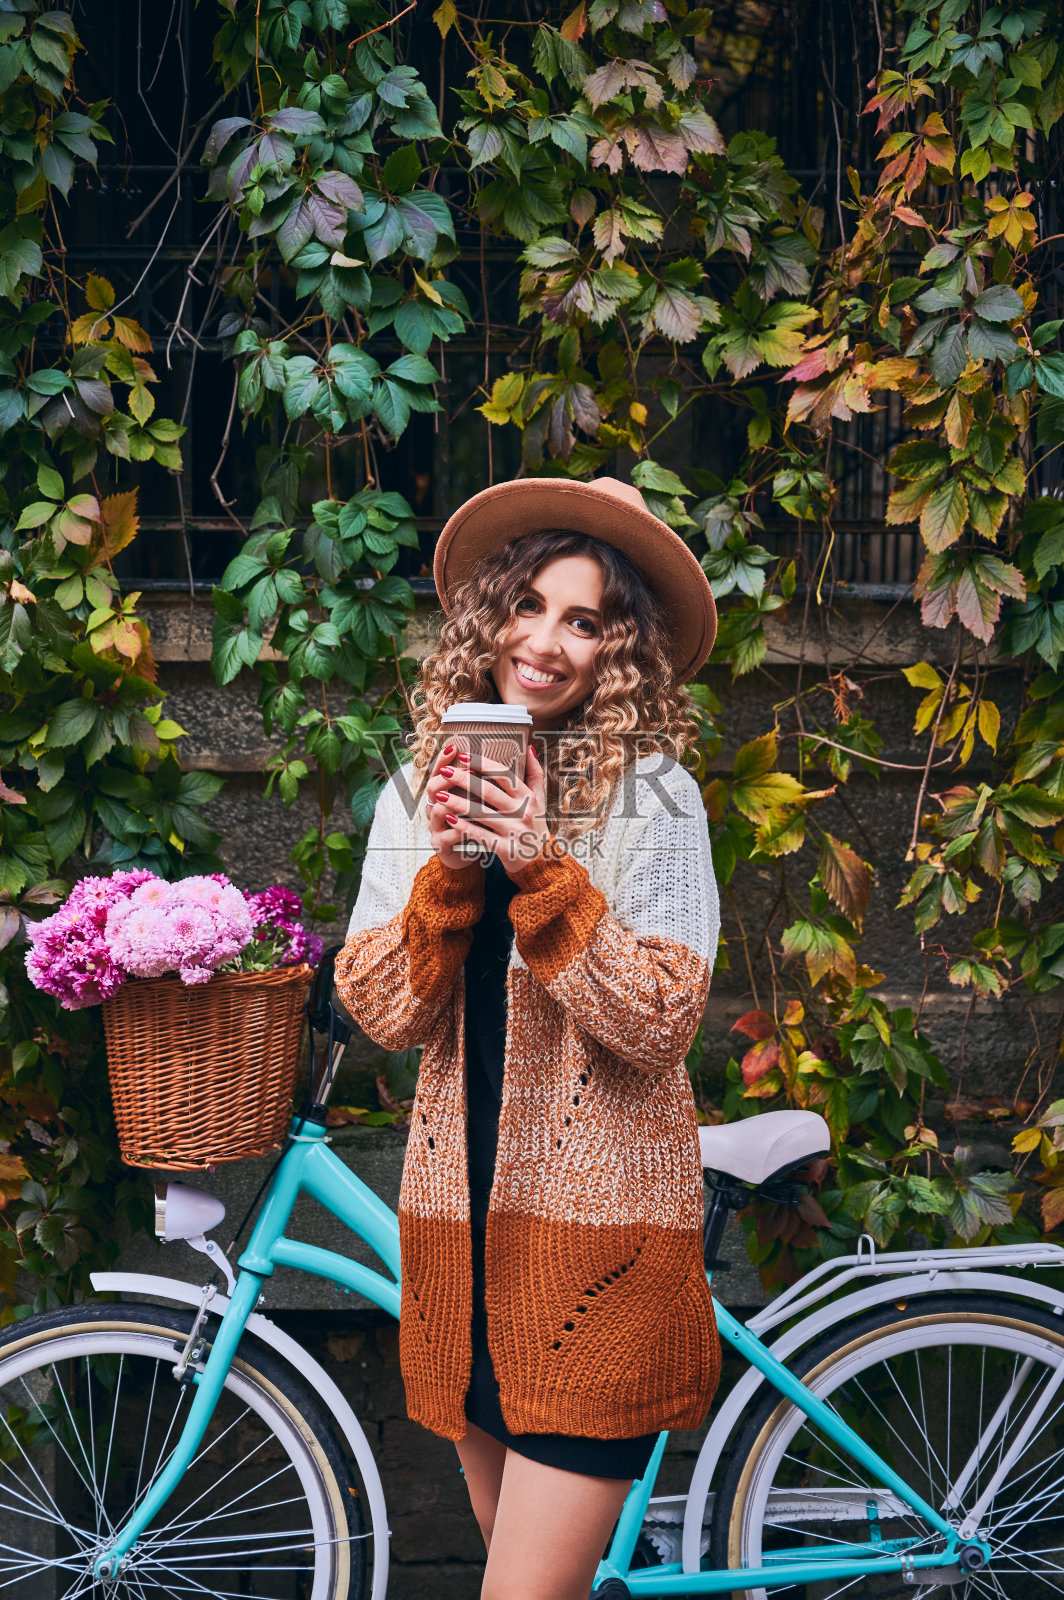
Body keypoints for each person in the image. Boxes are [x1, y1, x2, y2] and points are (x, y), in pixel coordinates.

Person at [334, 475, 722, 1600]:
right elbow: (386, 1012)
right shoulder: (419, 797)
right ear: (486, 616)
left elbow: (656, 1022)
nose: (546, 642)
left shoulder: (658, 797)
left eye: (584, 619)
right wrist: (455, 868)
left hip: (595, 1258)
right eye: (528, 605)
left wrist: (539, 862)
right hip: (461, 1262)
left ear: (619, 650)